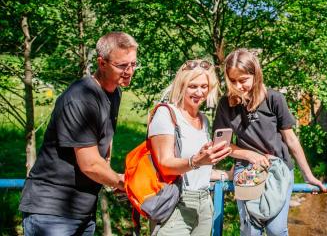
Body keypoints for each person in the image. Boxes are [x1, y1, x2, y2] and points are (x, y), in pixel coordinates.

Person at [20, 32, 138, 236]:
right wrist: (125, 183)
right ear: (102, 63)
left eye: (134, 64)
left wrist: (110, 181)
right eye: (122, 66)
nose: (129, 71)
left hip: (83, 211)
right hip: (51, 212)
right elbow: (90, 164)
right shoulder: (81, 97)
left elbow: (103, 146)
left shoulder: (115, 93)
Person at [214, 48, 327, 236]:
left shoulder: (274, 98)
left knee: (276, 230)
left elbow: (290, 139)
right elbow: (222, 145)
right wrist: (249, 155)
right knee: (251, 231)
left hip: (279, 168)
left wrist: (308, 175)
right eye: (232, 81)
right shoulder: (225, 105)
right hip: (247, 169)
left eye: (243, 80)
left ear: (255, 75)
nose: (238, 86)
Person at [148, 59, 232, 235]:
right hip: (176, 204)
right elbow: (165, 164)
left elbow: (199, 173)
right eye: (193, 86)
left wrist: (226, 174)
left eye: (204, 86)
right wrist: (196, 161)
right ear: (181, 85)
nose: (199, 92)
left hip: (204, 204)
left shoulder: (204, 120)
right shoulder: (166, 113)